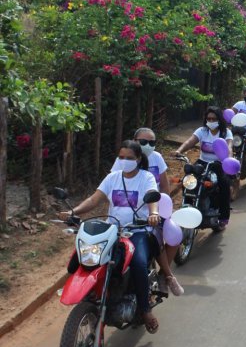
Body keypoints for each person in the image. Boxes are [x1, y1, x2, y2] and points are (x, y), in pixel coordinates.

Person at [61, 140, 162, 333]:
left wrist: (154, 213)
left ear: (138, 159)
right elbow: (93, 199)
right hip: (111, 231)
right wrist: (74, 212)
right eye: (121, 157)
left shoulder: (146, 177)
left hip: (136, 231)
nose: (124, 161)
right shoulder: (112, 177)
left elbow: (152, 195)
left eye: (129, 158)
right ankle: (91, 297)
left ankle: (145, 309)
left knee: (139, 263)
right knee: (82, 258)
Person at [112, 128, 183, 297]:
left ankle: (165, 275)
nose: (148, 145)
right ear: (134, 141)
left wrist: (162, 210)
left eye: (152, 142)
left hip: (153, 210)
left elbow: (164, 186)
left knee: (170, 236)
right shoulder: (122, 162)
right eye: (143, 142)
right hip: (129, 211)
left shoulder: (156, 158)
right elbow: (112, 187)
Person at [175, 106, 233, 229]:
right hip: (202, 162)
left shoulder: (226, 132)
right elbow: (190, 141)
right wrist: (179, 151)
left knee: (224, 184)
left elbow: (229, 147)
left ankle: (223, 217)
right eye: (209, 119)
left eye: (214, 119)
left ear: (219, 119)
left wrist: (228, 159)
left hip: (218, 164)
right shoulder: (202, 131)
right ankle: (187, 206)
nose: (211, 121)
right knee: (187, 180)